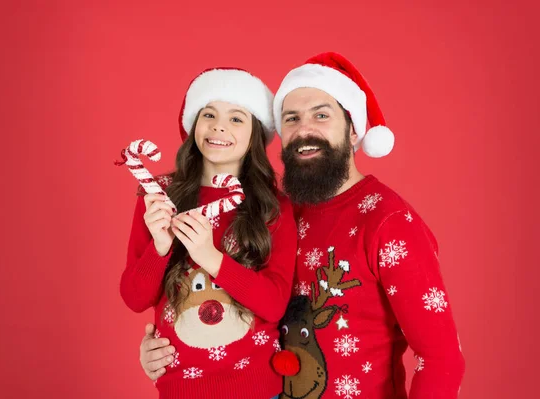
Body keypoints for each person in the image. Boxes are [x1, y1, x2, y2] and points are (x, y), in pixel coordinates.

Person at [139, 52, 465, 398]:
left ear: (354, 130)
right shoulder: (272, 212)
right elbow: (246, 307)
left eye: (321, 115)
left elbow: (441, 357)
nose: (304, 130)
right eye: (291, 119)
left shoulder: (390, 222)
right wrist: (165, 350)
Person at [121, 67, 297, 399]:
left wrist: (211, 258)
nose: (219, 125)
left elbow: (273, 305)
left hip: (257, 390)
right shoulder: (159, 196)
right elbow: (135, 298)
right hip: (181, 388)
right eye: (210, 114)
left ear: (254, 133)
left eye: (236, 118)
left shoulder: (274, 207)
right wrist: (159, 247)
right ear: (194, 125)